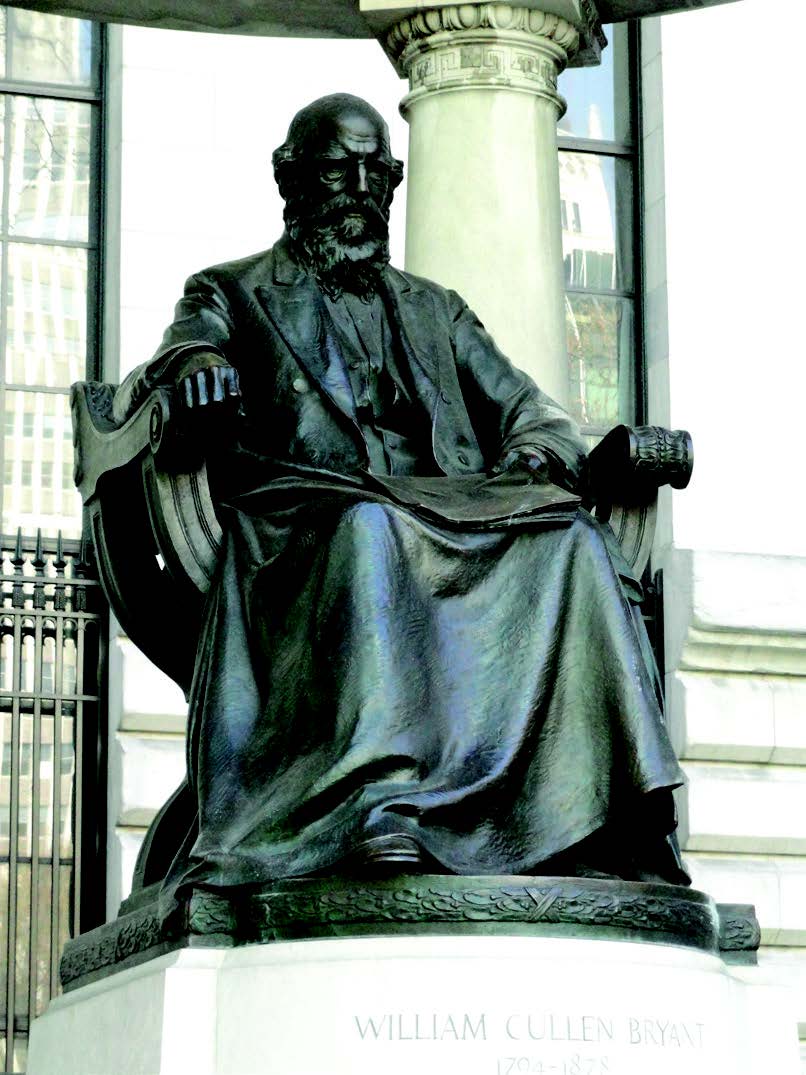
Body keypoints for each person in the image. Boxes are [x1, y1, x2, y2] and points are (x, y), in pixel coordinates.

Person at [115, 93, 689, 896]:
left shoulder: (436, 310)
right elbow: (185, 349)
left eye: (374, 171)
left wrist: (531, 451)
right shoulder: (230, 290)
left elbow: (529, 410)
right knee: (371, 526)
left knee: (574, 542)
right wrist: (193, 370)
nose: (357, 187)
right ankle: (376, 801)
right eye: (335, 169)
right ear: (292, 180)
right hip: (308, 528)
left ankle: (614, 807)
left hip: (444, 511)